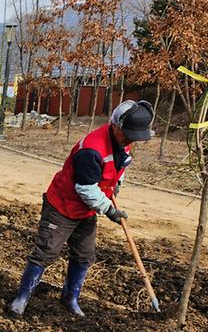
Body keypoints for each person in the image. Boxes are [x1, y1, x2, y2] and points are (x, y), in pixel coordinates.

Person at [10, 100, 155, 317]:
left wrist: (116, 186)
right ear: (115, 126)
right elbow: (85, 188)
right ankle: (20, 300)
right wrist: (110, 210)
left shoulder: (124, 140)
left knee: (84, 255)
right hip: (62, 206)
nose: (130, 140)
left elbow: (121, 167)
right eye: (128, 135)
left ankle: (70, 298)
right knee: (46, 252)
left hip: (86, 211)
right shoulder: (92, 150)